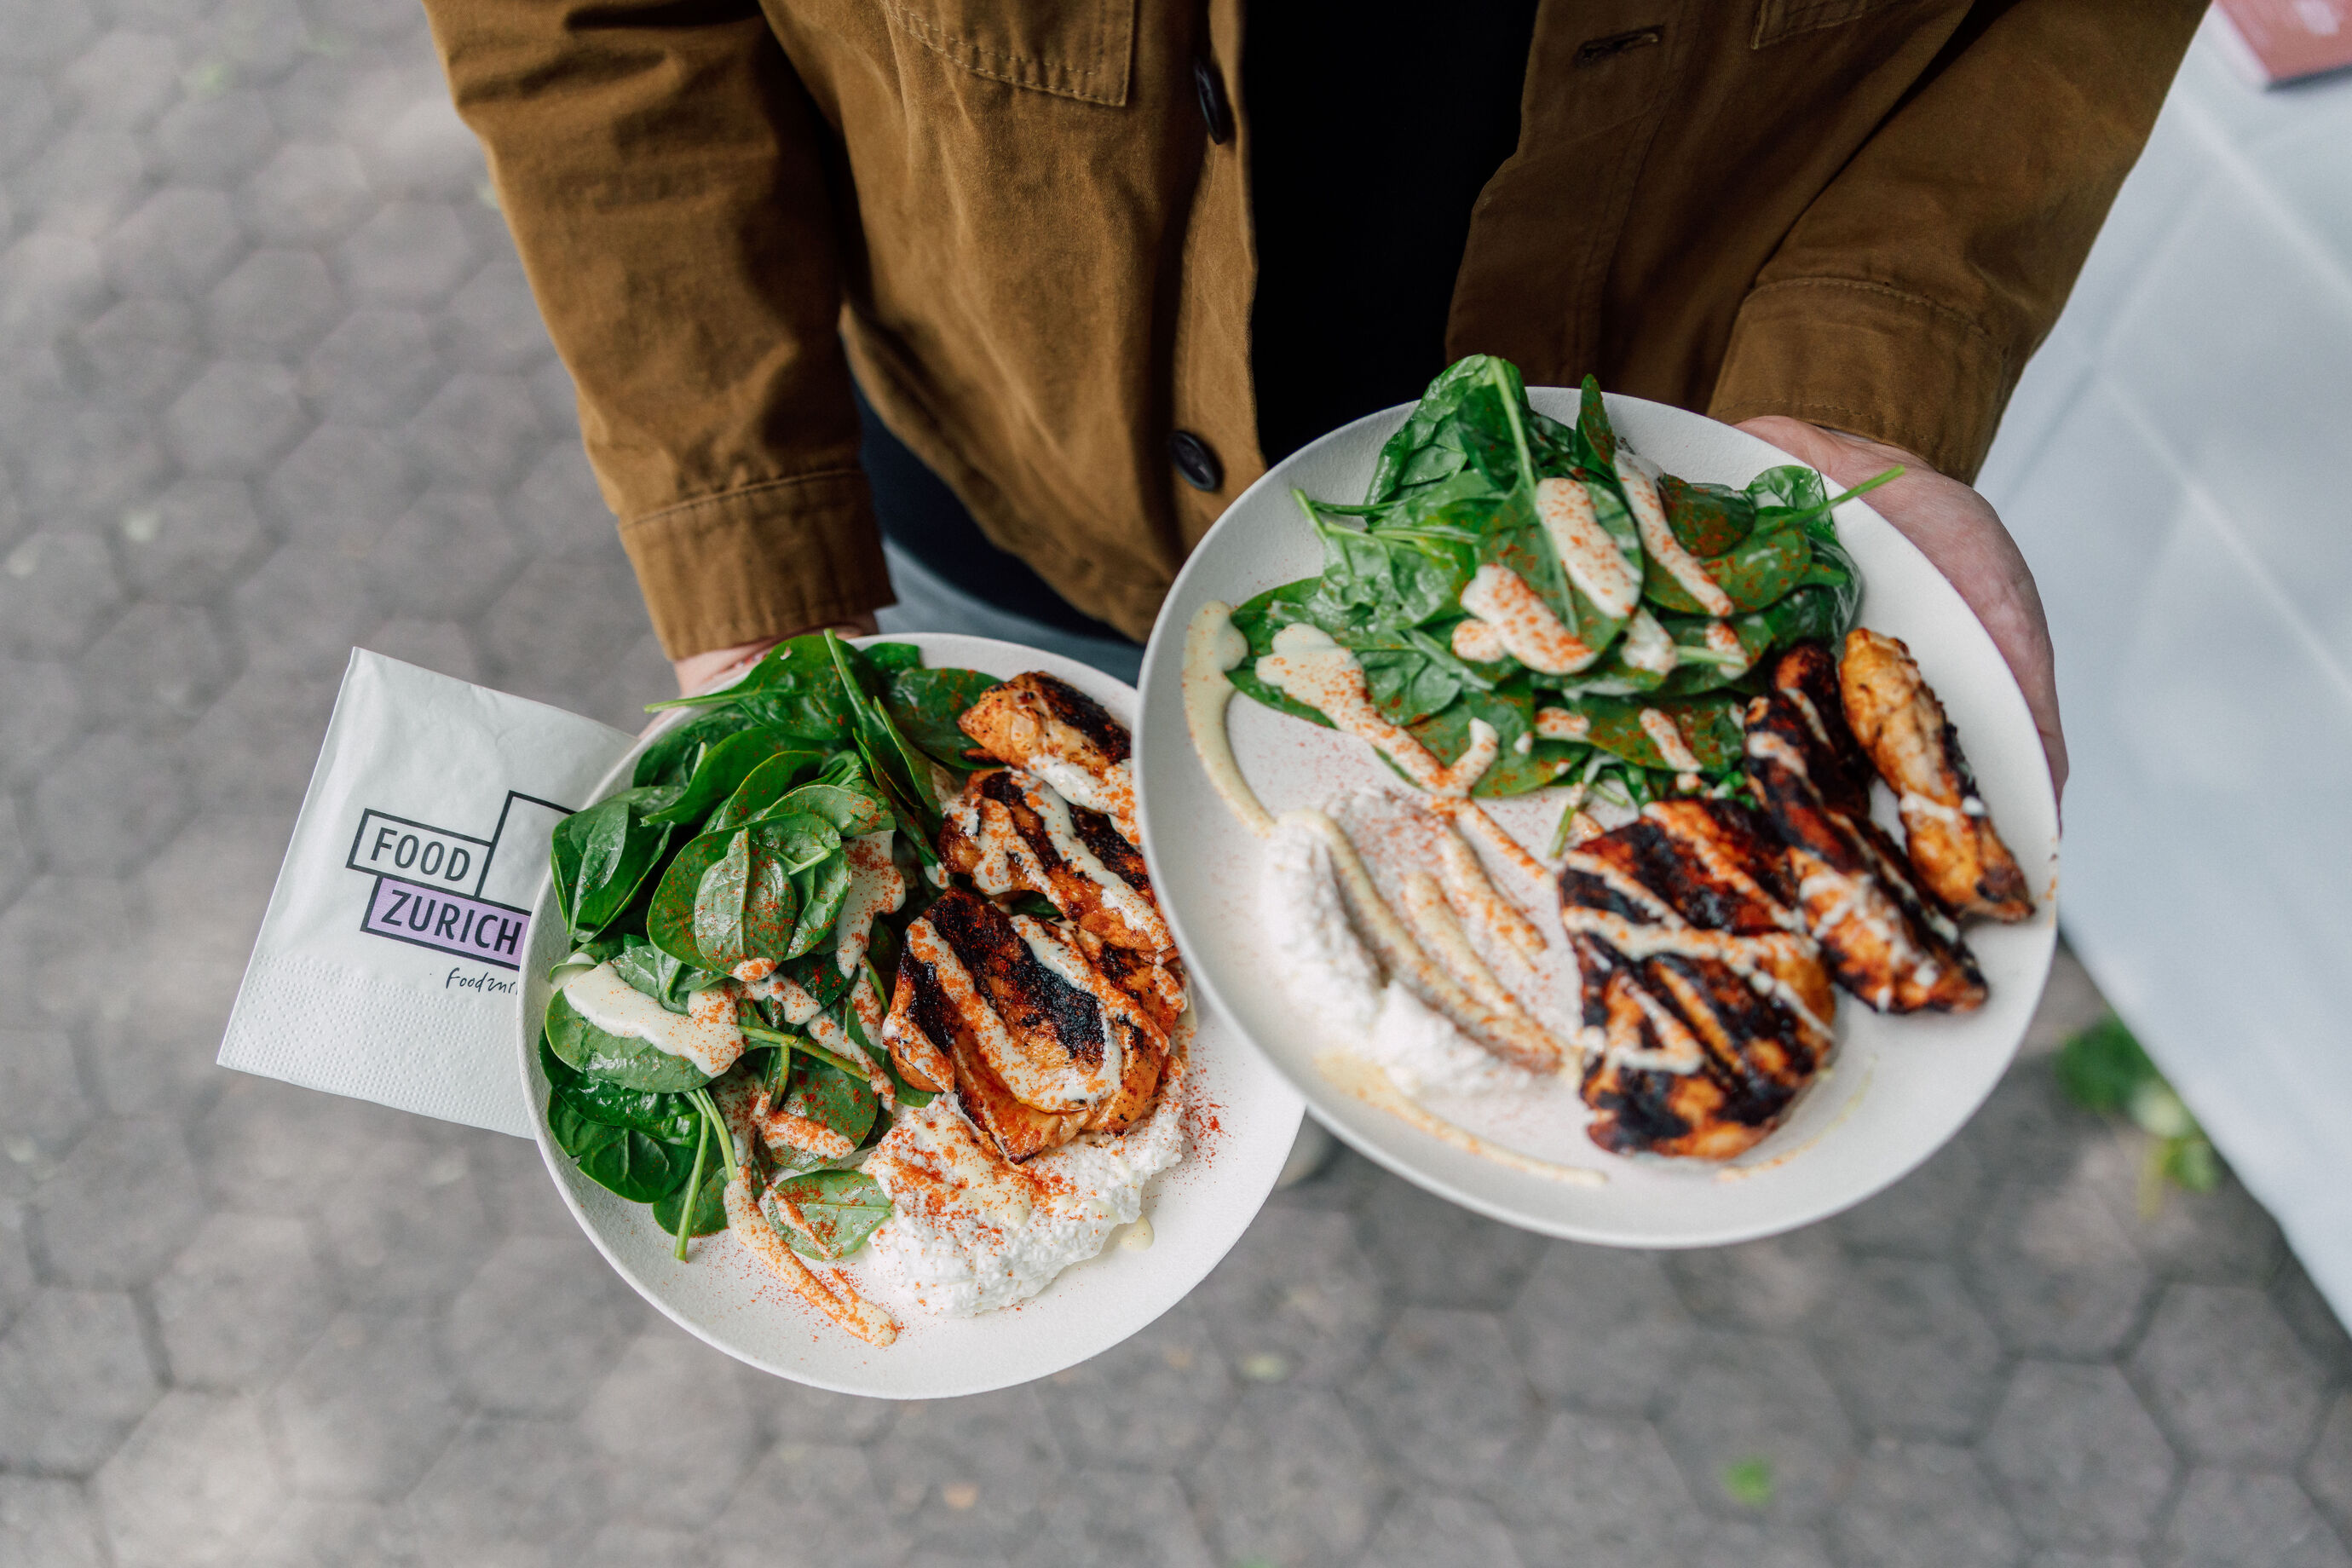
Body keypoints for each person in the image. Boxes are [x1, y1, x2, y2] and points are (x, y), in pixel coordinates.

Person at [423, 0, 2207, 797]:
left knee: (1435, 976)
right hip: (1011, 461)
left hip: (1635, 520)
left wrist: (1861, 371)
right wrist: (754, 554)